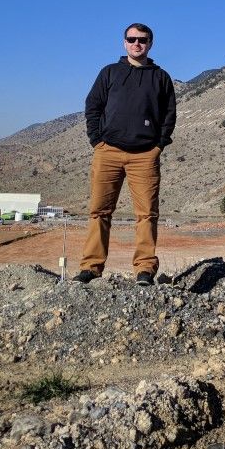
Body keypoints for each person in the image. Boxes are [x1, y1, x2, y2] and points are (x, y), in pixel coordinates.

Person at [73, 23, 176, 286]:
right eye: (131, 39)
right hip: (108, 152)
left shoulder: (161, 77)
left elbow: (169, 115)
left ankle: (144, 269)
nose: (136, 44)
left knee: (147, 214)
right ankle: (91, 267)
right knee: (99, 211)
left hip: (145, 155)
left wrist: (158, 146)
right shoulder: (109, 73)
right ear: (124, 43)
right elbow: (92, 106)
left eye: (142, 39)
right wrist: (97, 141)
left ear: (150, 43)